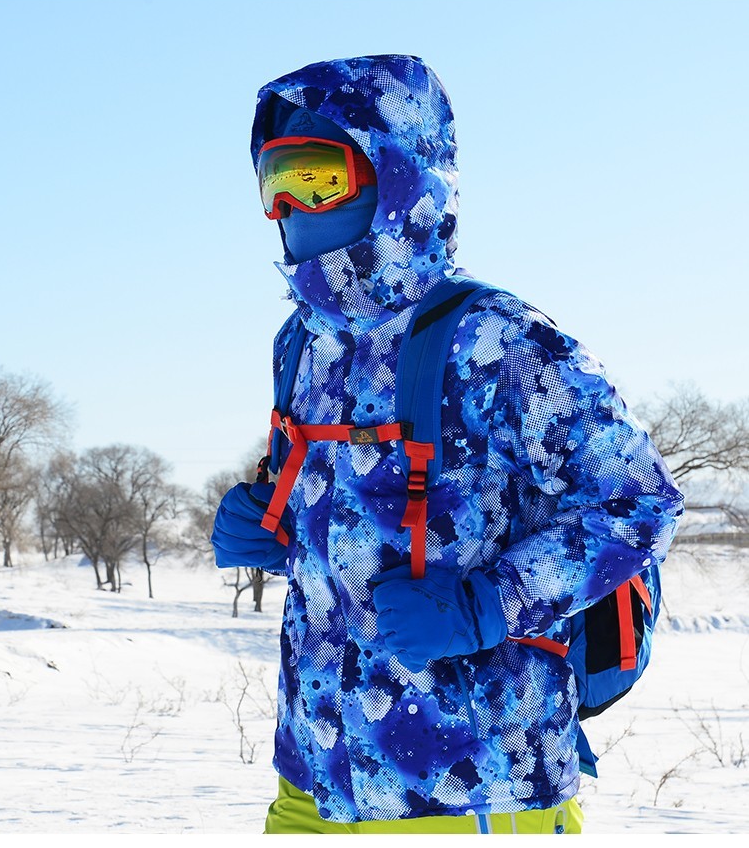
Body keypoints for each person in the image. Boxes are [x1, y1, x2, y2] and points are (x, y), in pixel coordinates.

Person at [211, 54, 684, 834]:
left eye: (317, 176)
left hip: (473, 783)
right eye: (274, 181)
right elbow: (374, 515)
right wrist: (279, 525)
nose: (289, 205)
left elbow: (639, 504)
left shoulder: (497, 341)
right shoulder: (301, 343)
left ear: (397, 178)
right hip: (312, 777)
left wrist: (483, 607)